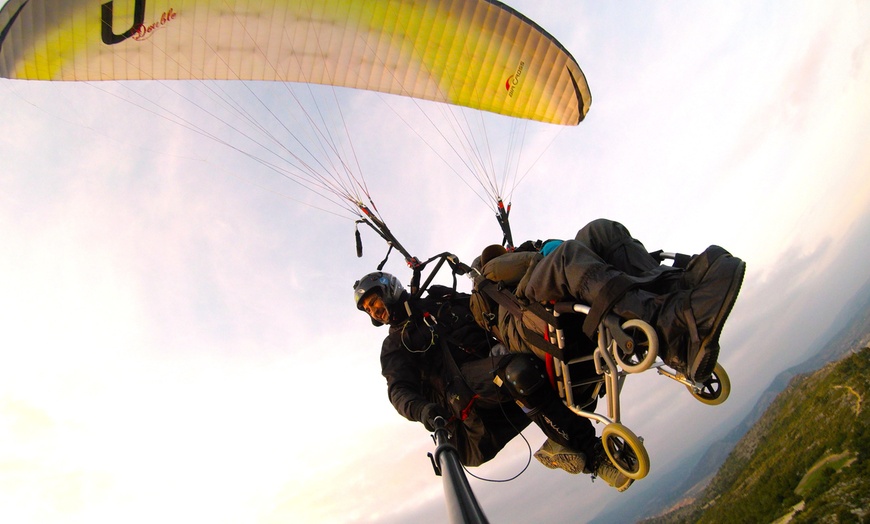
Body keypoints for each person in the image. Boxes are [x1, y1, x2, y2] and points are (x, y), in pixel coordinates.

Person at [354, 271, 634, 491]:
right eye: (367, 309)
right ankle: (595, 456)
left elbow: (485, 307)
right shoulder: (395, 345)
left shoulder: (440, 300)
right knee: (517, 372)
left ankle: (562, 435)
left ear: (388, 288)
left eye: (373, 301)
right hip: (464, 395)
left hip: (498, 357)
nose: (373, 310)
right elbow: (398, 390)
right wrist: (424, 411)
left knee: (553, 339)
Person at [471, 218, 746, 384]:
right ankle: (671, 328)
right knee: (565, 256)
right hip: (524, 318)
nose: (505, 250)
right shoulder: (487, 276)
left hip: (541, 295)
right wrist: (537, 253)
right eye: (499, 252)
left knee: (600, 231)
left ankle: (677, 289)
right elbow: (535, 261)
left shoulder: (520, 262)